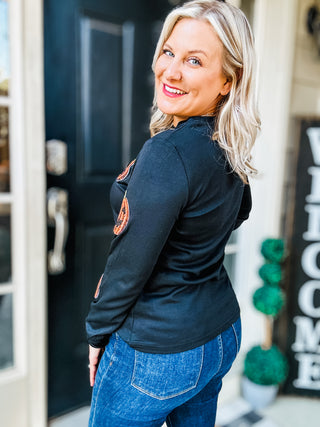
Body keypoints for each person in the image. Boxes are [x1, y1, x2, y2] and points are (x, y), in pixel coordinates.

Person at [86, 0, 260, 425]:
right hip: (220, 335)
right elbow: (239, 213)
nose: (172, 71)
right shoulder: (227, 146)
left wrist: (97, 332)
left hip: (157, 354)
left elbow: (129, 265)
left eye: (195, 60)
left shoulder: (168, 152)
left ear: (227, 81)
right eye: (169, 52)